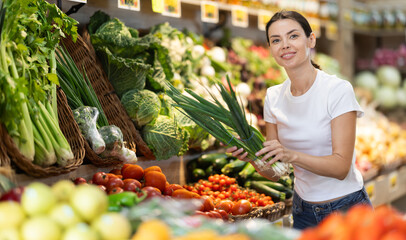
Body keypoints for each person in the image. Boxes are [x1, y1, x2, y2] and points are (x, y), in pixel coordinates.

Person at [226, 10, 372, 230]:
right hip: (303, 211)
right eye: (276, 40)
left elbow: (341, 166)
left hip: (347, 208)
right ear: (271, 48)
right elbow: (275, 171)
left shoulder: (337, 90)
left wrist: (291, 154)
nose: (285, 44)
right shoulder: (274, 97)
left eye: (293, 36)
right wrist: (252, 157)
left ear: (310, 39)